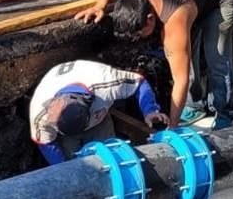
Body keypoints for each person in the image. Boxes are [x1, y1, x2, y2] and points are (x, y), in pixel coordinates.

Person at [75, 0, 233, 131]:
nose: (138, 39)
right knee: (185, 57)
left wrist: (173, 127)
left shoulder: (174, 24)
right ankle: (194, 106)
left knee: (217, 56)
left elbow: (180, 80)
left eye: (139, 34)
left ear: (150, 19)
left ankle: (225, 114)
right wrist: (99, 5)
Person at [30, 59, 169, 165]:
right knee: (74, 165)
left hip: (100, 121)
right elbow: (46, 143)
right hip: (67, 135)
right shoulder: (40, 113)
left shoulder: (106, 83)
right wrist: (62, 169)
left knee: (112, 158)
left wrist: (149, 110)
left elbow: (139, 83)